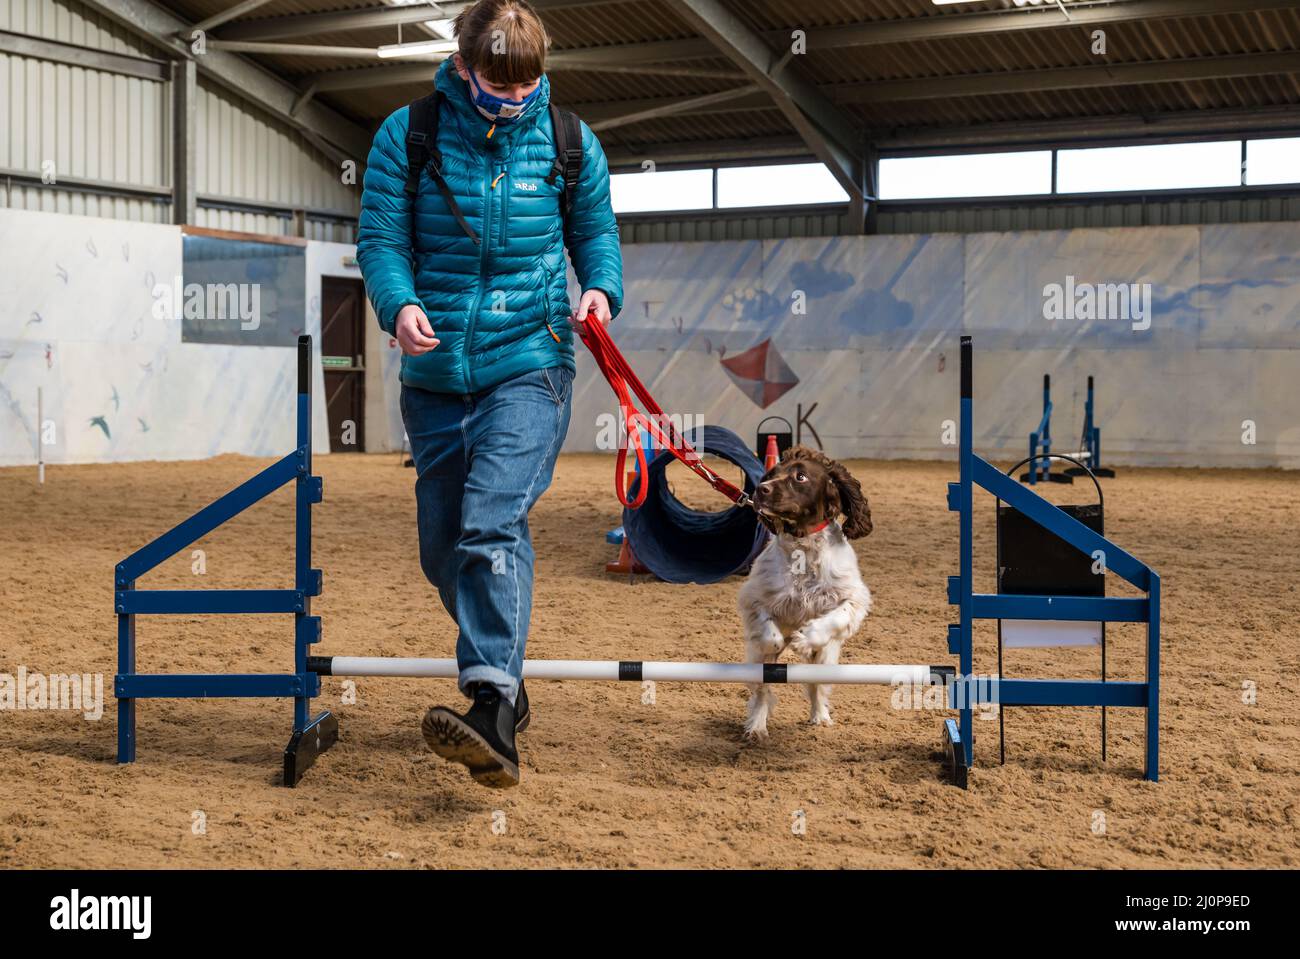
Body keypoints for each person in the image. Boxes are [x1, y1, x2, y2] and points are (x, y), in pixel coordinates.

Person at [356, 0, 623, 788]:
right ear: (461, 65)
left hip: (532, 362)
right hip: (435, 376)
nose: (512, 101)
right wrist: (397, 303)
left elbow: (596, 233)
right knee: (443, 550)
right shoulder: (409, 134)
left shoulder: (571, 141)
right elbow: (380, 238)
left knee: (491, 520)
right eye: (494, 87)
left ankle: (493, 710)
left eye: (525, 87)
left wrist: (600, 290)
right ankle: (504, 679)